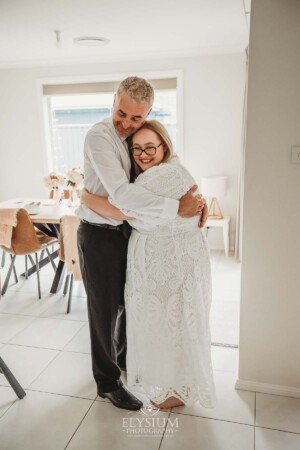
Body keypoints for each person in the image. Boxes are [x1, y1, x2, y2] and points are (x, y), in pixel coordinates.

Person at [76, 77, 207, 411]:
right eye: (121, 114)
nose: (126, 124)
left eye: (136, 118)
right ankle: (107, 383)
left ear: (148, 113)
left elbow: (153, 184)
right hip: (101, 233)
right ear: (114, 101)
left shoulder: (138, 136)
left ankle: (125, 360)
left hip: (129, 233)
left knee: (128, 303)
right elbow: (123, 196)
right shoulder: (99, 137)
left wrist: (195, 203)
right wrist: (178, 208)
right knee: (103, 311)